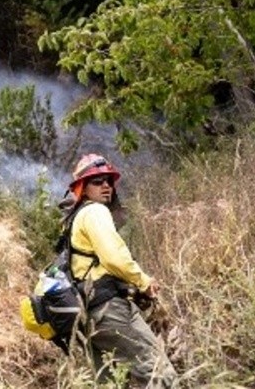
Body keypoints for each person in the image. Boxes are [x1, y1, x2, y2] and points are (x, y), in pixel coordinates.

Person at [64, 153, 177, 387]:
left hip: (88, 316)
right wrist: (143, 281)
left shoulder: (75, 218)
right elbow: (114, 257)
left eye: (109, 180)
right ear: (83, 188)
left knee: (112, 383)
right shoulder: (95, 211)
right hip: (109, 310)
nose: (106, 185)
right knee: (160, 374)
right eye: (97, 181)